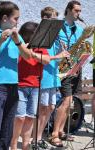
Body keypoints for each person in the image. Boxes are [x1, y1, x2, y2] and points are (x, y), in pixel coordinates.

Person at [0, 1, 33, 150]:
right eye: (15, 18)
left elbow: (28, 56)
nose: (18, 21)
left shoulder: (17, 36)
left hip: (13, 85)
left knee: (7, 128)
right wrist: (0, 41)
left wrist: (17, 42)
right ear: (4, 18)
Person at [32, 6, 69, 148]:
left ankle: (39, 136)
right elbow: (38, 57)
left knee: (51, 107)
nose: (56, 24)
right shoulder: (39, 35)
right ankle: (36, 138)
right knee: (42, 109)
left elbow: (55, 59)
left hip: (53, 76)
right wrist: (57, 56)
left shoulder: (54, 38)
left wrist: (62, 53)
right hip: (43, 77)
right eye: (53, 20)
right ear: (45, 19)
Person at [10, 21, 50, 150]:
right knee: (20, 117)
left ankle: (26, 146)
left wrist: (32, 53)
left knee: (30, 117)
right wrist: (24, 48)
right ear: (29, 34)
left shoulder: (40, 47)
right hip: (20, 85)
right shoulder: (18, 45)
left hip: (35, 86)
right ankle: (14, 144)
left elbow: (47, 60)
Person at [50, 0, 84, 147]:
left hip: (76, 68)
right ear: (69, 10)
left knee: (69, 102)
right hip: (62, 68)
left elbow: (80, 49)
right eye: (76, 11)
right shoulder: (57, 26)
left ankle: (61, 130)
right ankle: (54, 134)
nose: (79, 14)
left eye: (80, 11)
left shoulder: (80, 30)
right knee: (66, 101)